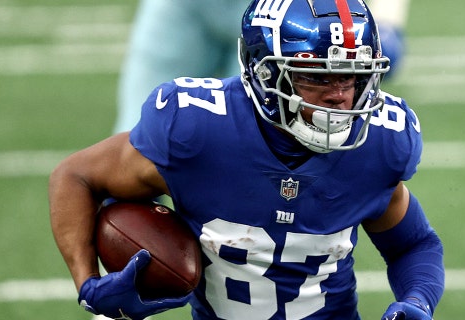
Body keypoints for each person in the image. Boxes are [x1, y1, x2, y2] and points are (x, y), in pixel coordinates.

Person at [49, 0, 444, 319]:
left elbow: (413, 244)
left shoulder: (379, 142)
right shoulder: (196, 128)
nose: (339, 96)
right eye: (316, 77)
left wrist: (417, 301)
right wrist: (89, 285)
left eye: (351, 76)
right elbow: (77, 176)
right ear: (266, 76)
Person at [113, 0, 410, 134]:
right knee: (135, 138)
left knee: (262, 140)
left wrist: (387, 16)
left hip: (290, 18)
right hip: (188, 7)